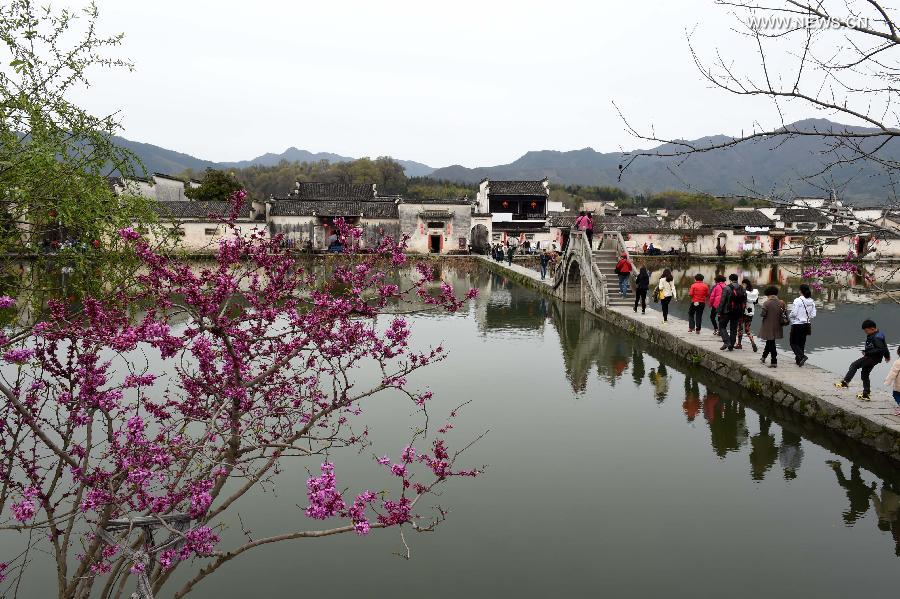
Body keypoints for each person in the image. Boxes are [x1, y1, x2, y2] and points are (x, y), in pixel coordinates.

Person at [836, 319, 891, 400]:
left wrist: (867, 353)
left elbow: (880, 349)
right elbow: (884, 347)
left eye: (866, 331)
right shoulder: (879, 334)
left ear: (872, 329)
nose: (865, 332)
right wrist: (887, 356)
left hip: (871, 358)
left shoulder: (876, 337)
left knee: (854, 365)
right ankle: (866, 394)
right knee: (865, 374)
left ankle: (845, 382)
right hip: (874, 359)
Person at [789, 284, 816, 367]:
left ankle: (802, 357)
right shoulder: (812, 302)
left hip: (797, 324)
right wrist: (805, 317)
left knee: (793, 342)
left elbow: (794, 313)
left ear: (800, 291)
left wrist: (790, 316)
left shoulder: (798, 300)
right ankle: (799, 361)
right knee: (801, 343)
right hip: (806, 324)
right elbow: (813, 314)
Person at [717, 274, 746, 351]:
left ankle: (726, 342)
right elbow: (744, 300)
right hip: (737, 311)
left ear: (730, 279)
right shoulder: (742, 288)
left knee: (722, 326)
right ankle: (731, 345)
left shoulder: (726, 288)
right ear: (737, 279)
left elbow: (722, 301)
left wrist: (719, 311)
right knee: (733, 329)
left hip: (727, 311)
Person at [758, 286, 785, 368]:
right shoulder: (782, 302)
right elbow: (785, 313)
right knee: (770, 341)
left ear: (768, 294)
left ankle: (774, 361)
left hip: (768, 326)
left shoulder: (766, 303)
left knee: (771, 343)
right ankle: (763, 357)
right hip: (778, 326)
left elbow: (763, 314)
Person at [736, 277, 759, 351]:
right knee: (747, 329)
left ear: (744, 284)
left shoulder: (744, 291)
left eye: (742, 284)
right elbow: (756, 302)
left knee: (740, 328)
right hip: (751, 312)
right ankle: (752, 342)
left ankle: (739, 344)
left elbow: (739, 300)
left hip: (743, 311)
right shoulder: (755, 292)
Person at [885, 346, 900, 416]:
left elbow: (893, 373)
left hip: (899, 386)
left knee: (896, 395)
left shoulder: (898, 362)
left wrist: (887, 381)